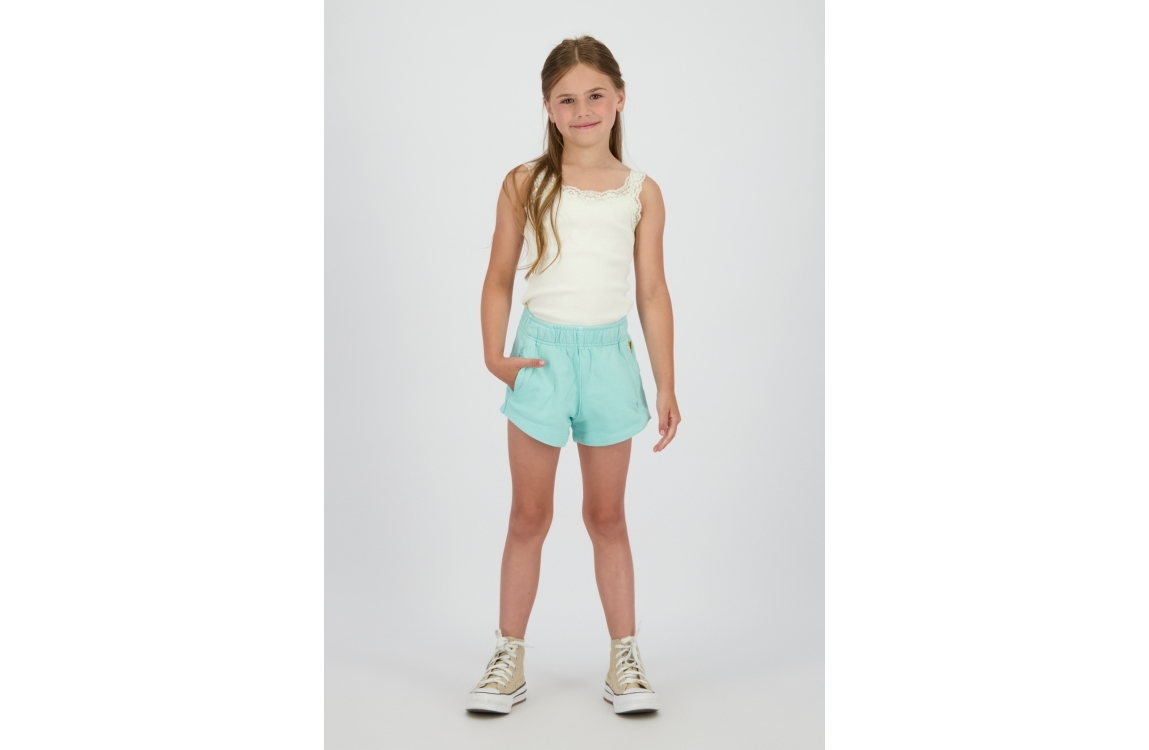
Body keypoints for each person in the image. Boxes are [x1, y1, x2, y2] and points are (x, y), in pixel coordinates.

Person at [466, 35, 680, 716]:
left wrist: (666, 382)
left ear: (619, 99)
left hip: (608, 362)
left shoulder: (641, 192)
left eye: (595, 95)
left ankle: (625, 659)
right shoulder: (525, 183)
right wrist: (493, 354)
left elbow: (651, 292)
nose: (582, 110)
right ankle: (508, 656)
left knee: (606, 516)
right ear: (547, 108)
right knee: (528, 515)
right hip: (540, 359)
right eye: (566, 99)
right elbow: (499, 277)